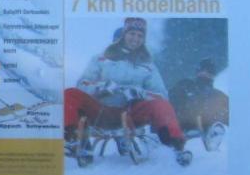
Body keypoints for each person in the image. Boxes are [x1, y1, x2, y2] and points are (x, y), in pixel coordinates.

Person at [63, 18, 192, 166]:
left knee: (161, 105)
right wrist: (102, 86)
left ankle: (176, 147)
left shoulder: (148, 66)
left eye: (139, 36)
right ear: (124, 34)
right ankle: (73, 141)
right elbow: (83, 84)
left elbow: (161, 94)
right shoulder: (101, 59)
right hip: (101, 111)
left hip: (131, 112)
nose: (135, 39)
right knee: (70, 94)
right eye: (132, 34)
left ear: (143, 39)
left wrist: (139, 93)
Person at [170, 57, 229, 148]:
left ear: (213, 75)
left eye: (209, 72)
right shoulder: (185, 85)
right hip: (185, 127)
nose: (205, 73)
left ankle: (214, 133)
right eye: (203, 70)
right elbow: (173, 103)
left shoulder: (219, 95)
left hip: (209, 129)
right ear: (197, 72)